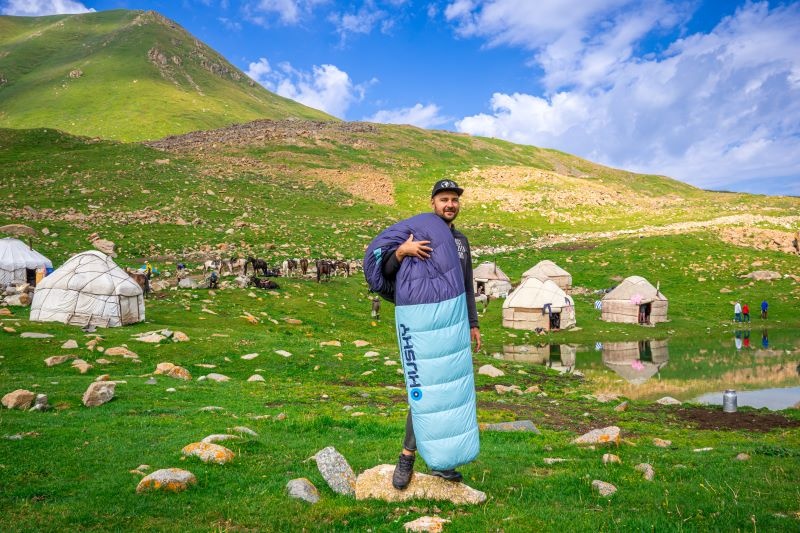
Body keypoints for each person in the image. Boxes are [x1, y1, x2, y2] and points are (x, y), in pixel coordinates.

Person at [382, 179, 481, 490]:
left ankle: (444, 461)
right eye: (444, 199)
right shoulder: (416, 234)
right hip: (423, 323)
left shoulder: (461, 241)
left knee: (451, 392)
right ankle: (406, 456)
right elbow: (386, 272)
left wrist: (473, 322)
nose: (450, 204)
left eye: (454, 200)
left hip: (453, 323)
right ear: (433, 203)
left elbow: (466, 284)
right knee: (426, 390)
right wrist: (402, 251)